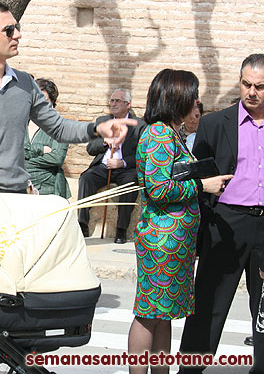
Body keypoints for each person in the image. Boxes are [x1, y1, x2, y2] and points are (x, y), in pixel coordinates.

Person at [0, 1, 137, 259]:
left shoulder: (24, 83)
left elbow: (58, 127)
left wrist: (97, 128)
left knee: (10, 288)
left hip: (14, 203)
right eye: (9, 30)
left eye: (18, 28)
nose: (18, 35)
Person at [128, 68, 231, 374]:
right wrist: (202, 185)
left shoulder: (170, 132)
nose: (196, 102)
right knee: (149, 313)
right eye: (192, 96)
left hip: (174, 241)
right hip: (162, 240)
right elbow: (159, 189)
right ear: (177, 97)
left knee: (164, 313)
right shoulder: (159, 133)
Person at [179, 54, 264, 373]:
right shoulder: (215, 124)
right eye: (246, 84)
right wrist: (197, 237)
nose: (251, 92)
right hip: (226, 222)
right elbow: (196, 182)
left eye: (260, 86)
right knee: (209, 306)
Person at [77, 88, 146, 243]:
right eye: (112, 100)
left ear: (128, 104)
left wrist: (122, 162)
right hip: (103, 166)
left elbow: (142, 155)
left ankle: (121, 230)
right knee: (86, 178)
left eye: (118, 101)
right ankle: (82, 224)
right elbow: (90, 149)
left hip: (125, 168)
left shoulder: (139, 126)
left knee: (130, 183)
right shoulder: (102, 121)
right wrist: (103, 142)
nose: (113, 104)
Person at [24, 78, 71, 198]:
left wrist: (25, 163)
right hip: (20, 183)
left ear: (52, 102)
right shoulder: (21, 123)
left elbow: (56, 158)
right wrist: (40, 149)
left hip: (48, 186)